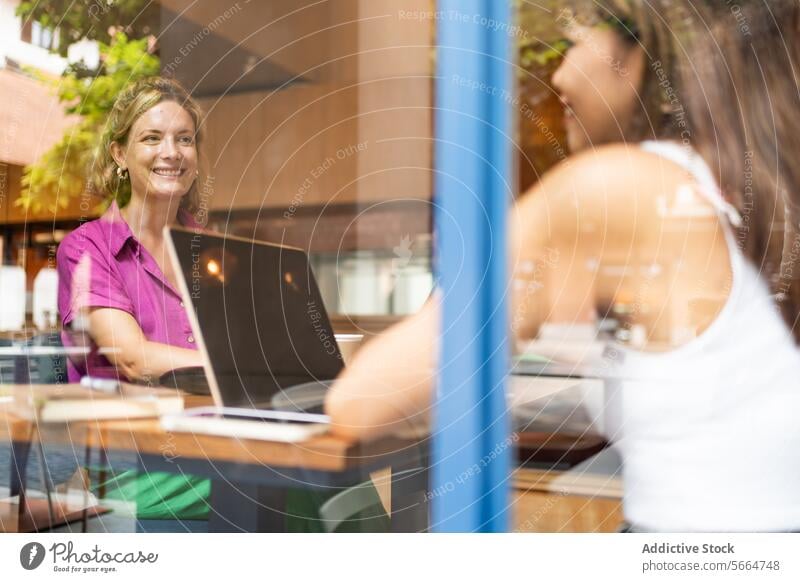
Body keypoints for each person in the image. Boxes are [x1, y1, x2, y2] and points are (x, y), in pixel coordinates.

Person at [326, 0, 800, 532]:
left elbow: (360, 401)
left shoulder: (619, 188)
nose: (555, 73)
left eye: (572, 42)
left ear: (638, 56)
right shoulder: (741, 196)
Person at [57, 77, 209, 524]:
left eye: (184, 139)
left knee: (330, 481)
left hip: (221, 438)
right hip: (138, 465)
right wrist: (229, 363)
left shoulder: (212, 252)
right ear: (120, 154)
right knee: (301, 484)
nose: (171, 152)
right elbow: (134, 359)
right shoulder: (87, 249)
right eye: (151, 138)